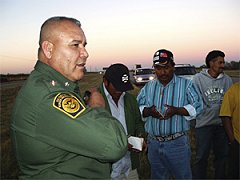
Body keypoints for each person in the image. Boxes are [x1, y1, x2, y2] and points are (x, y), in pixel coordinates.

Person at [10, 16, 128, 179]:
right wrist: (97, 107)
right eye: (75, 45)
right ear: (48, 49)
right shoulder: (49, 96)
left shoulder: (59, 86)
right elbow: (115, 145)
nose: (85, 53)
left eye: (84, 45)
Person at [137, 49, 203, 179]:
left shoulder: (186, 84)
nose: (162, 72)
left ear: (173, 67)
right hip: (154, 143)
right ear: (154, 68)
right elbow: (137, 106)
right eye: (158, 68)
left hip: (177, 144)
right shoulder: (149, 86)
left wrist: (177, 111)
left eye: (166, 67)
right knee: (158, 177)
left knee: (182, 176)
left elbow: (198, 106)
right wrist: (148, 111)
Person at [97, 63, 146, 180]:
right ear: (105, 81)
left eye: (123, 87)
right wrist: (122, 144)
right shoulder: (95, 100)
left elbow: (138, 122)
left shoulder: (130, 99)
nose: (120, 91)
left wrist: (140, 136)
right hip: (107, 169)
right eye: (117, 86)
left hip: (129, 166)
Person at [192, 50, 233, 179]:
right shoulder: (198, 79)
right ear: (211, 63)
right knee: (201, 156)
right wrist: (212, 110)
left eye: (223, 62)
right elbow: (196, 102)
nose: (223, 65)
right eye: (220, 62)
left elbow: (229, 103)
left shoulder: (227, 80)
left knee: (222, 156)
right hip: (204, 125)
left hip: (222, 125)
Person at [219, 82, 240, 179]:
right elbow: (225, 116)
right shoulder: (233, 90)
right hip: (238, 141)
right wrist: (232, 140)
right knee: (235, 172)